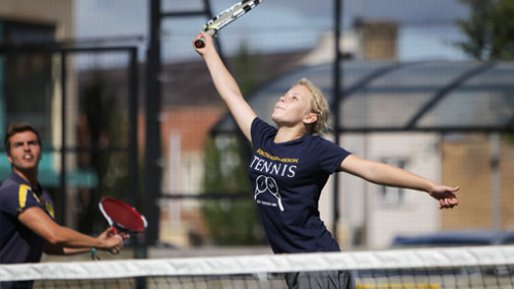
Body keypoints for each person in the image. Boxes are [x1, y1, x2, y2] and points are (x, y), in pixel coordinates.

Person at [193, 32, 459, 289]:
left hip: (319, 264)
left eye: (294, 97)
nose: (284, 97)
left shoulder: (316, 149)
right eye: (285, 94)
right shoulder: (263, 137)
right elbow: (232, 95)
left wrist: (428, 186)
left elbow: (370, 168)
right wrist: (210, 54)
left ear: (309, 117)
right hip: (295, 268)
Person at [0, 122, 126, 289]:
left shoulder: (44, 198)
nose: (26, 148)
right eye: (18, 145)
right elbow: (55, 235)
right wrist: (100, 244)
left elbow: (49, 245)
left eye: (32, 143)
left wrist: (94, 243)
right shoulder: (12, 192)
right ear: (9, 156)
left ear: (40, 151)